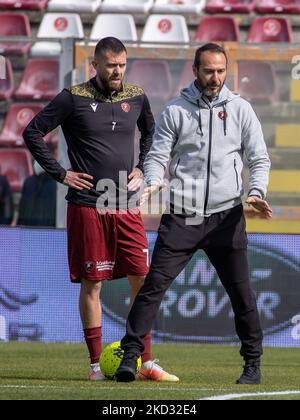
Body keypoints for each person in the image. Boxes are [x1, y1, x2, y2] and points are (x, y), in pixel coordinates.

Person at [116, 43, 272, 385]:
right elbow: (157, 156)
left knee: (242, 294)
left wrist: (256, 191)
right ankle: (130, 357)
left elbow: (259, 159)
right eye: (208, 71)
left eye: (220, 71)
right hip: (182, 217)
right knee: (153, 286)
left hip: (227, 217)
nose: (215, 77)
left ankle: (252, 365)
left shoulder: (241, 109)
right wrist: (154, 182)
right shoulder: (175, 110)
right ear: (195, 70)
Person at [23, 37, 178, 382]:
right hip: (87, 206)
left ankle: (146, 361)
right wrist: (61, 173)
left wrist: (143, 167)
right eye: (111, 65)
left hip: (127, 206)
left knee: (143, 278)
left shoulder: (136, 96)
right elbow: (32, 131)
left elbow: (150, 133)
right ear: (95, 65)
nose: (117, 71)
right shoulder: (72, 98)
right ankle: (95, 365)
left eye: (122, 65)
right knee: (93, 283)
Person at [17, 160, 56, 227]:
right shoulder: (28, 182)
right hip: (29, 227)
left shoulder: (55, 184)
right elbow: (23, 207)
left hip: (49, 228)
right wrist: (20, 223)